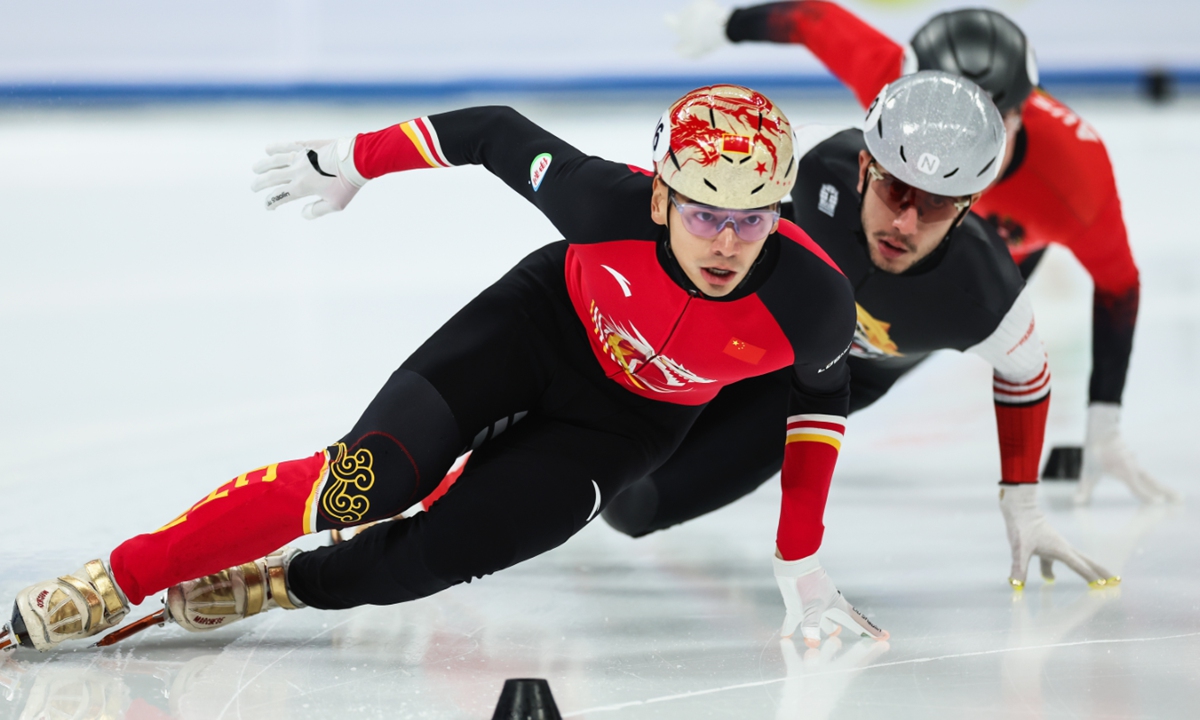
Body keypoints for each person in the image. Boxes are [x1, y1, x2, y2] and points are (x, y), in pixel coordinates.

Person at [2, 85, 887, 654]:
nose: (727, 244)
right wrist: (357, 160)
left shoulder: (813, 301)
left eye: (751, 221)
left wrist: (799, 561)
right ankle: (114, 577)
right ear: (660, 196)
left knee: (443, 553)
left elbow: (820, 405)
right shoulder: (599, 203)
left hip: (626, 425)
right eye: (703, 216)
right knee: (363, 483)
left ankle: (282, 583)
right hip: (536, 327)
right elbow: (493, 133)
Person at [599, 72, 1117, 591]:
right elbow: (686, 199)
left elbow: (1027, 377)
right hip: (742, 333)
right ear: (866, 167)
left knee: (635, 507)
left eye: (936, 203)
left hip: (826, 390)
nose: (905, 224)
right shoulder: (818, 155)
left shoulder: (988, 296)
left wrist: (1023, 504)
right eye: (895, 189)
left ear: (969, 205)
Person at [667, 0, 1178, 505]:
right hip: (845, 263)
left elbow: (1118, 285)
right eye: (937, 123)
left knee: (663, 491)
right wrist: (725, 24)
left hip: (909, 319)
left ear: (1025, 110)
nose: (959, 145)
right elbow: (813, 21)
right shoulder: (897, 86)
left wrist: (1104, 424)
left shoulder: (1075, 177)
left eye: (990, 127)